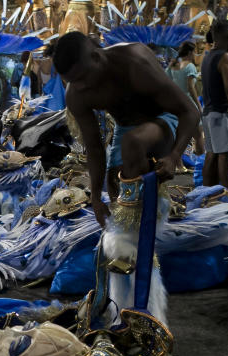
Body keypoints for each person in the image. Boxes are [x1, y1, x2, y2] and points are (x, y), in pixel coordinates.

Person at [53, 31, 199, 227]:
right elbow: (94, 147)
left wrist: (174, 156)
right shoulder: (76, 94)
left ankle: (147, 233)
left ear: (96, 57)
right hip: (126, 128)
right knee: (118, 190)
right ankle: (131, 245)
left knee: (133, 142)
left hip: (164, 118)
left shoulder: (134, 63)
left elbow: (190, 111)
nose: (80, 86)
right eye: (72, 82)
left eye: (82, 77)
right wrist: (96, 197)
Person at [200, 19, 228, 193]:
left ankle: (206, 195)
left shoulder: (208, 56)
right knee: (224, 158)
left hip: (209, 113)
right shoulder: (224, 57)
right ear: (227, 36)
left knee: (211, 155)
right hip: (222, 113)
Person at [166, 41, 205, 171]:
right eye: (194, 52)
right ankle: (201, 164)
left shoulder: (174, 65)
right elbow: (191, 87)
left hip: (176, 103)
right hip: (188, 103)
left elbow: (168, 82)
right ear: (189, 52)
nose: (195, 54)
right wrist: (199, 105)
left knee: (179, 136)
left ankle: (179, 166)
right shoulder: (190, 67)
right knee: (198, 135)